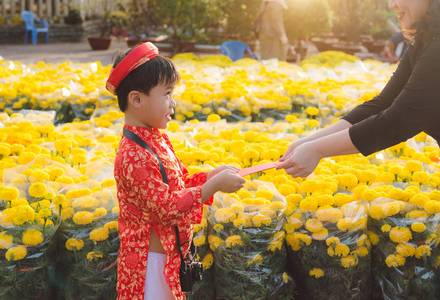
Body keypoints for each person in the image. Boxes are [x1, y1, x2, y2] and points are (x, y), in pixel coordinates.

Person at [106, 42, 246, 300]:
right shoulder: (133, 155)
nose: (174, 103)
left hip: (168, 257)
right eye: (167, 93)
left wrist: (211, 176)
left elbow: (179, 184)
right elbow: (167, 208)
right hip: (148, 267)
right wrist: (212, 186)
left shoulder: (154, 139)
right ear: (136, 99)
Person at [277, 0, 439, 178]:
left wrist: (317, 149)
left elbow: (399, 120)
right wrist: (309, 142)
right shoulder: (424, 42)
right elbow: (382, 103)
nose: (391, 4)